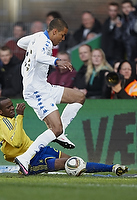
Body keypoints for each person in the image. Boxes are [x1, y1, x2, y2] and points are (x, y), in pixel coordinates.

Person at [0, 97, 128, 176]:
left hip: (38, 148)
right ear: (0, 111)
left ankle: (112, 168)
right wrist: (20, 117)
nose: (12, 109)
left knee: (76, 161)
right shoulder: (4, 123)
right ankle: (26, 169)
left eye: (12, 106)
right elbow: (17, 141)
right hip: (30, 160)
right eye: (9, 108)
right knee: (70, 164)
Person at [16, 18, 85, 175]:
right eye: (62, 35)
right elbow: (39, 56)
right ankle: (25, 158)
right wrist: (57, 60)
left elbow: (20, 42)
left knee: (79, 97)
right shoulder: (45, 42)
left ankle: (60, 135)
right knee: (55, 128)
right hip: (36, 91)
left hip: (44, 87)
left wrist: (33, 45)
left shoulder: (38, 37)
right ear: (54, 31)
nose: (63, 39)